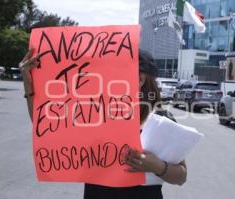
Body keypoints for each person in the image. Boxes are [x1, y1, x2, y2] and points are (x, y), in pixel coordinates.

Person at [19, 49, 187, 199]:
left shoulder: (161, 120)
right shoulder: (95, 113)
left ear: (140, 78)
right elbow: (45, 126)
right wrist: (28, 82)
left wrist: (157, 166)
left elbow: (181, 176)